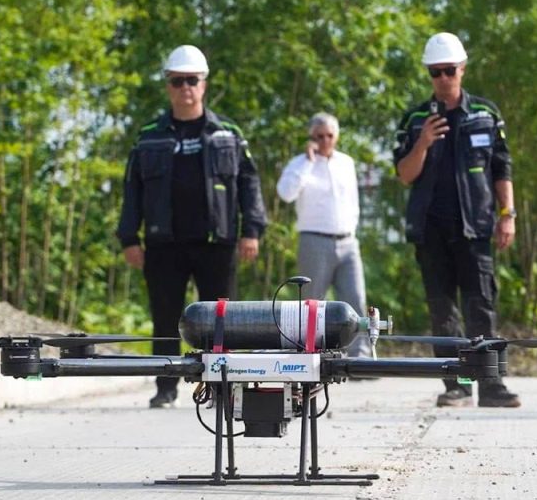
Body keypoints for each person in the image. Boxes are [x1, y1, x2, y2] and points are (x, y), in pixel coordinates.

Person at [117, 44, 267, 408]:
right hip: (163, 243)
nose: (186, 87)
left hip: (217, 242)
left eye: (192, 80)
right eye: (177, 81)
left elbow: (249, 182)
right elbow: (132, 188)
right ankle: (166, 388)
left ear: (204, 84)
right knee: (164, 319)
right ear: (168, 86)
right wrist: (128, 237)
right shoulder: (149, 135)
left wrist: (253, 230)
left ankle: (222, 388)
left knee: (221, 321)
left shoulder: (228, 132)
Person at [392, 32, 520, 408]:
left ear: (463, 69)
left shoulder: (486, 114)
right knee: (443, 310)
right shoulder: (415, 119)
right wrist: (423, 144)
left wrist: (507, 214)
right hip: (431, 230)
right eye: (435, 72)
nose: (443, 78)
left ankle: (493, 385)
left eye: (449, 70)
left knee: (482, 306)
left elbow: (502, 167)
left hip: (475, 228)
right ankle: (458, 384)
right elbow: (404, 174)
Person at [276, 113, 371, 358]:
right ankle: (310, 354)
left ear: (336, 136)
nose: (325, 140)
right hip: (314, 240)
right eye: (320, 136)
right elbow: (286, 193)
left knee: (356, 297)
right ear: (311, 137)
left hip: (348, 241)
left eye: (329, 135)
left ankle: (359, 355)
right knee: (311, 302)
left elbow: (353, 201)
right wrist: (307, 162)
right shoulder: (299, 163)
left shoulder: (347, 162)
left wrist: (353, 227)